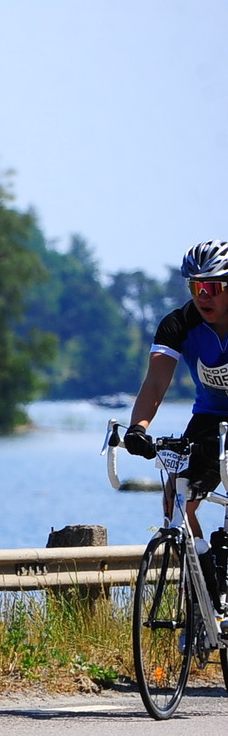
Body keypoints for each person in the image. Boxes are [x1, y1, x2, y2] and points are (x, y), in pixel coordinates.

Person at [124, 238, 228, 597]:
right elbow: (155, 381)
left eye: (213, 288)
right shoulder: (179, 323)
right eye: (196, 287)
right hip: (209, 417)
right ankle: (207, 587)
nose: (203, 296)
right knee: (177, 498)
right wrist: (138, 428)